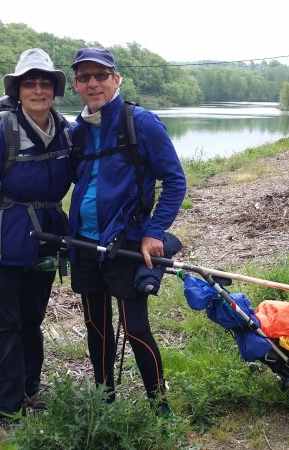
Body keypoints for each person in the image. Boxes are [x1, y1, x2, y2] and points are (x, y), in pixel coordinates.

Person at [0, 48, 73, 428]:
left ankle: (30, 388)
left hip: (46, 240)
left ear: (54, 90)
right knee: (2, 327)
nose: (38, 90)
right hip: (0, 246)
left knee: (30, 320)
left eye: (45, 83)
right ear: (18, 90)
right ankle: (8, 413)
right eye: (29, 83)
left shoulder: (67, 133)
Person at [67, 48, 186, 414]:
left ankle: (161, 409)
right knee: (96, 327)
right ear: (76, 85)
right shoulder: (77, 131)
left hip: (126, 244)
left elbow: (175, 181)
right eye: (84, 77)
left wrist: (154, 231)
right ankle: (105, 406)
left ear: (116, 79)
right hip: (85, 245)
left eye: (101, 75)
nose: (93, 83)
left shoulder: (141, 123)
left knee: (135, 329)